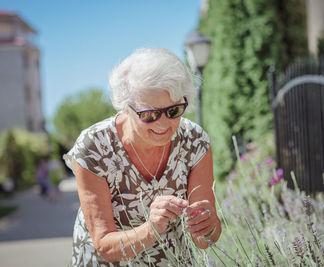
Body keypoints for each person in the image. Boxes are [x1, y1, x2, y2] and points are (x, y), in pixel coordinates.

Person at [64, 48, 221, 266]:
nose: (164, 124)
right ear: (125, 106)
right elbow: (104, 245)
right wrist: (151, 229)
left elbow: (204, 240)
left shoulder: (195, 141)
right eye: (149, 114)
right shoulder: (93, 147)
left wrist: (208, 225)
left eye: (174, 111)